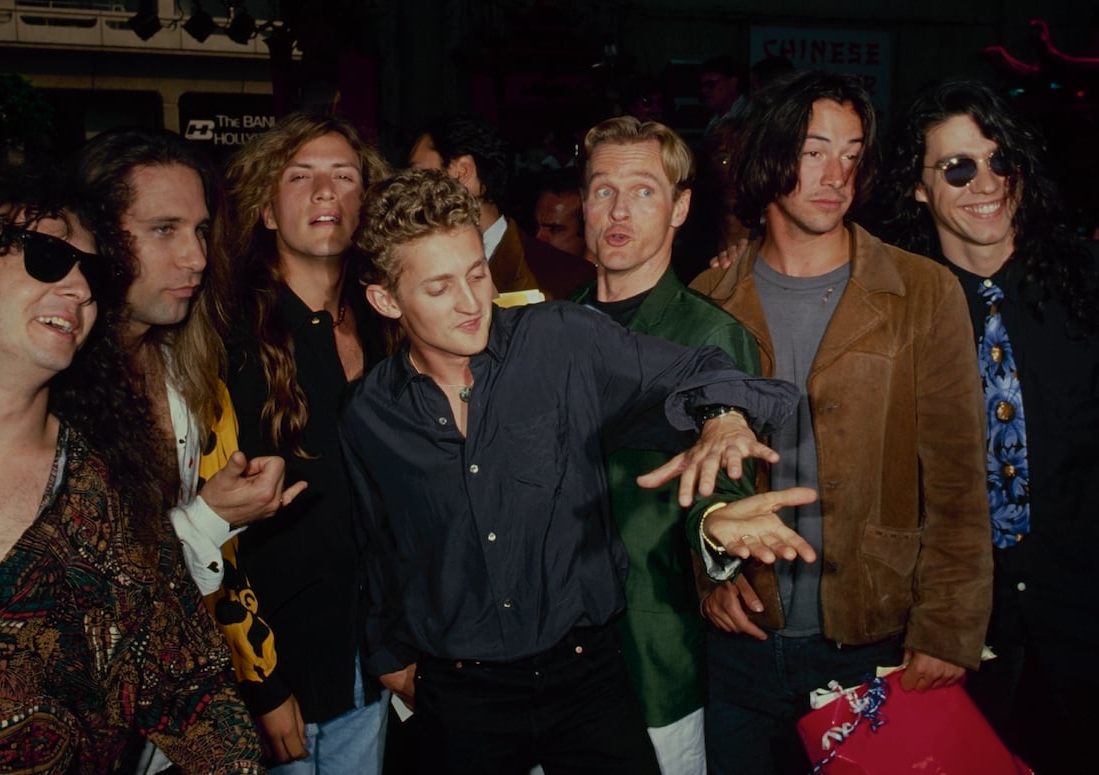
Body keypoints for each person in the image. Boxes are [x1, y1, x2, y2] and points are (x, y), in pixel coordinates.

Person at [341, 167, 807, 774]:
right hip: (462, 697)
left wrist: (721, 417)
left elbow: (705, 367)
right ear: (385, 299)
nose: (469, 302)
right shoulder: (368, 414)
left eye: (476, 274)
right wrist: (387, 656)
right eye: (438, 288)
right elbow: (376, 549)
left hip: (586, 677)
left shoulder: (559, 340)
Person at [689, 70, 992, 774]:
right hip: (742, 648)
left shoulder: (923, 292)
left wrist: (948, 629)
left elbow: (957, 480)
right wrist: (707, 573)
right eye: (815, 150)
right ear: (768, 155)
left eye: (852, 154)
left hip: (875, 640)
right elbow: (685, 475)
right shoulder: (708, 301)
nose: (836, 175)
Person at [0, 162, 262, 771]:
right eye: (47, 257)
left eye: (94, 274)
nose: (80, 289)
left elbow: (201, 704)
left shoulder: (106, 497)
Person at [883, 78, 1099, 775]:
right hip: (956, 637)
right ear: (919, 187)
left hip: (1094, 632)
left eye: (999, 160)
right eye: (958, 167)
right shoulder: (892, 310)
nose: (984, 182)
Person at [568, 115, 815, 775]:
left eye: (644, 190)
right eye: (603, 190)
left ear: (679, 207)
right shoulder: (542, 326)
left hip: (650, 656)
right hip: (544, 668)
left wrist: (717, 528)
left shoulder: (708, 337)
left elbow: (724, 480)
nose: (620, 209)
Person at [74, 125, 302, 775]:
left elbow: (220, 573)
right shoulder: (39, 393)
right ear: (96, 238)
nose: (197, 257)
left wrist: (259, 681)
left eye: (200, 231)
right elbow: (77, 598)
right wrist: (210, 517)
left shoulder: (189, 373)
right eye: (164, 230)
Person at [217, 109, 393, 774]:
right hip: (277, 667)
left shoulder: (388, 324)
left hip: (368, 658)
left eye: (344, 175)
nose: (326, 191)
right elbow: (210, 526)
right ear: (267, 210)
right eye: (302, 176)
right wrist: (258, 682)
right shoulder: (230, 336)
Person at [409, 114, 580, 299]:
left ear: (463, 171)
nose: (409, 189)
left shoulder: (565, 277)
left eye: (419, 174)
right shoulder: (414, 268)